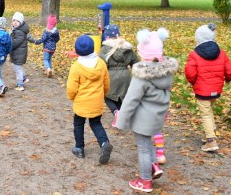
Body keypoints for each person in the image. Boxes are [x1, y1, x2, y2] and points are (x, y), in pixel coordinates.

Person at [115, 27, 178, 193]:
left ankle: (145, 180)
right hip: (157, 117)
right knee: (148, 143)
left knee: (143, 147)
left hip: (143, 118)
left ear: (142, 52)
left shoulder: (142, 74)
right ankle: (153, 166)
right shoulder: (165, 72)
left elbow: (131, 99)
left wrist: (121, 120)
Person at [185, 23, 231, 152]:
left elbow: (190, 72)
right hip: (216, 89)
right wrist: (228, 79)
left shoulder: (194, 54)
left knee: (206, 114)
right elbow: (229, 69)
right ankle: (210, 132)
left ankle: (211, 141)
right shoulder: (221, 53)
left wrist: (192, 81)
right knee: (209, 111)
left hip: (202, 90)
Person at [66, 35, 113, 165]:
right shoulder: (101, 63)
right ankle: (104, 143)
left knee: (78, 124)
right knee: (96, 123)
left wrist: (71, 97)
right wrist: (104, 93)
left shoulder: (76, 67)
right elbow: (106, 83)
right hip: (96, 101)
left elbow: (71, 87)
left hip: (81, 102)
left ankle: (79, 148)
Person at [98, 24, 138, 127]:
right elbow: (135, 62)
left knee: (107, 96)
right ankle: (122, 117)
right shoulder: (127, 48)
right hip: (125, 76)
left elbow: (102, 65)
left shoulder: (105, 49)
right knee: (121, 96)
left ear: (106, 37)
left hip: (111, 75)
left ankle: (116, 112)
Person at [10, 12, 30, 91]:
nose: (15, 22)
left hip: (19, 53)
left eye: (17, 21)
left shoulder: (19, 32)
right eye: (14, 20)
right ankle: (24, 78)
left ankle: (20, 85)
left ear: (21, 22)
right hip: (17, 53)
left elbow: (15, 42)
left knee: (18, 68)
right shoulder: (15, 30)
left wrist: (9, 43)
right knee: (16, 67)